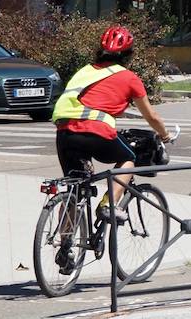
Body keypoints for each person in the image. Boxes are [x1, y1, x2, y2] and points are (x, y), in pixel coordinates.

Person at [51, 25, 173, 222]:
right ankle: (108, 204)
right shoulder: (129, 77)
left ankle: (65, 246)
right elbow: (152, 117)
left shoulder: (85, 71)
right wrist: (165, 135)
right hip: (96, 132)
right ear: (129, 55)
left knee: (76, 187)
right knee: (128, 159)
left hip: (65, 132)